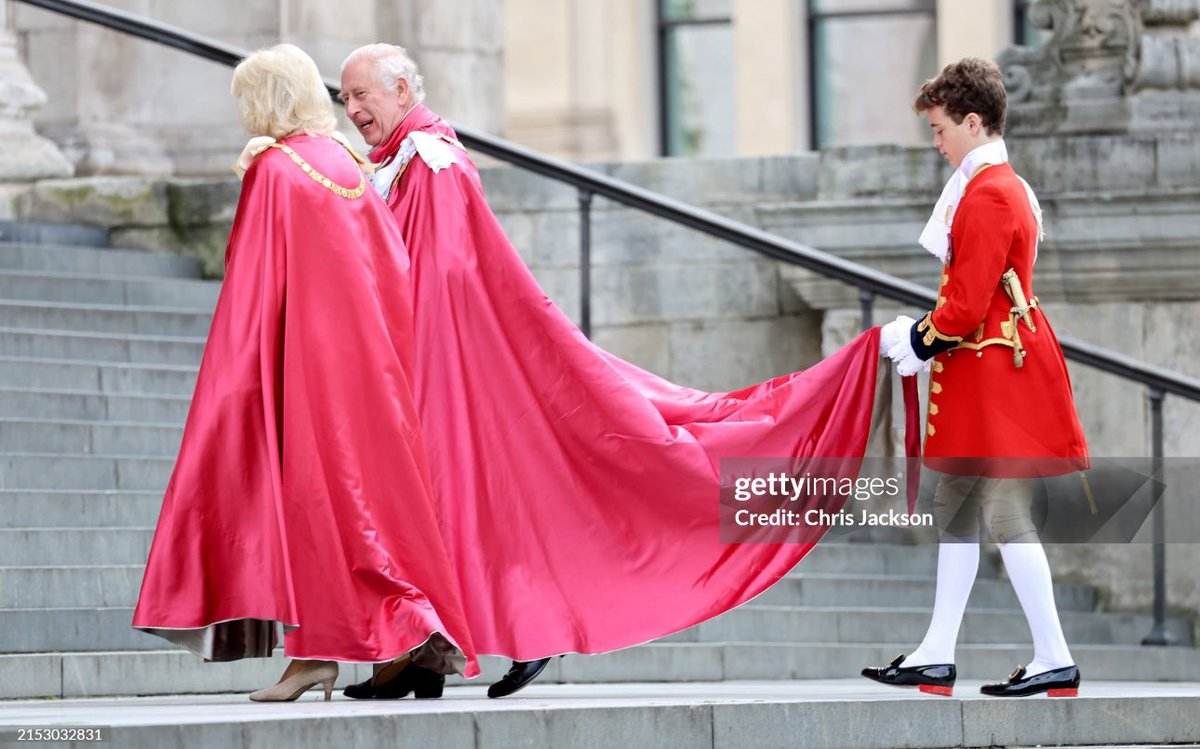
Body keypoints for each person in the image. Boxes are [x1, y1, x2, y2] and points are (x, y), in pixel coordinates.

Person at [337, 43, 910, 700]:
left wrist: (406, 362)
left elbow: (444, 278)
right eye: (345, 97)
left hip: (454, 363)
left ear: (404, 91)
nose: (353, 109)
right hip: (448, 360)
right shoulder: (409, 162)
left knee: (503, 497)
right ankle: (426, 653)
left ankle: (517, 632)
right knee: (449, 503)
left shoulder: (434, 163)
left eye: (363, 95)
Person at [131, 43, 478, 702]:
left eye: (246, 100)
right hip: (366, 375)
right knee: (356, 510)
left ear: (267, 100)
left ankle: (328, 652)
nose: (242, 115)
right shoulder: (347, 161)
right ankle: (386, 642)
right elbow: (392, 270)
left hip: (299, 371)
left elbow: (252, 286)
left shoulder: (274, 165)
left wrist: (236, 384)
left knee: (308, 512)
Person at [863, 58, 1088, 698]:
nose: (935, 142)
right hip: (990, 367)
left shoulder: (989, 194)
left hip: (994, 372)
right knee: (957, 507)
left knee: (1003, 512)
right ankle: (938, 651)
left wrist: (918, 339)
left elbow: (965, 304)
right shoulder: (997, 186)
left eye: (939, 129)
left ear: (970, 121)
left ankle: (1053, 655)